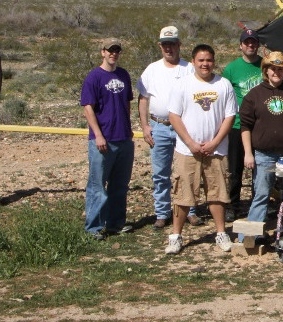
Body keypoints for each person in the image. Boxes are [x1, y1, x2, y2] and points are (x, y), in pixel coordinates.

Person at [165, 44, 237, 255]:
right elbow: (174, 116)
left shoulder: (223, 85)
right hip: (188, 150)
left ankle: (221, 233)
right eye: (201, 60)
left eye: (209, 60)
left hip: (216, 149)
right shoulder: (182, 85)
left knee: (217, 192)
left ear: (214, 61)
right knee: (183, 193)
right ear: (194, 61)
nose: (205, 64)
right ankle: (176, 236)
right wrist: (190, 142)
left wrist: (215, 142)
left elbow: (230, 116)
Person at [136, 26, 202, 229]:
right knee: (160, 172)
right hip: (160, 126)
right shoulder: (152, 69)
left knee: (187, 170)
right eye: (165, 44)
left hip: (184, 127)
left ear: (179, 45)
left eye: (172, 44)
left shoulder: (189, 69)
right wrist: (145, 125)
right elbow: (143, 98)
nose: (169, 48)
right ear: (160, 46)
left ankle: (189, 210)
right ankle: (162, 213)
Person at [239, 51, 283, 232]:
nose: (277, 72)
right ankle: (251, 236)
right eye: (272, 69)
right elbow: (245, 126)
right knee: (261, 194)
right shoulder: (254, 95)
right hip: (263, 155)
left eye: (281, 69)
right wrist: (248, 153)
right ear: (266, 71)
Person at [81, 38, 135, 240]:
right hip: (102, 140)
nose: (113, 53)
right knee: (97, 185)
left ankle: (115, 223)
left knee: (119, 185)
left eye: (117, 50)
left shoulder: (123, 75)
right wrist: (98, 135)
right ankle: (93, 227)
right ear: (102, 52)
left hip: (123, 138)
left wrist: (129, 129)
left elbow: (127, 103)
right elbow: (88, 107)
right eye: (110, 50)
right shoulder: (94, 77)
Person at [221, 28, 263, 221]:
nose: (250, 45)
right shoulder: (231, 69)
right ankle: (233, 205)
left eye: (253, 42)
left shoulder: (265, 65)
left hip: (262, 125)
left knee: (259, 168)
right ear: (241, 45)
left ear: (258, 45)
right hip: (238, 125)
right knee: (235, 169)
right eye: (247, 42)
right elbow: (224, 97)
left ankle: (258, 205)